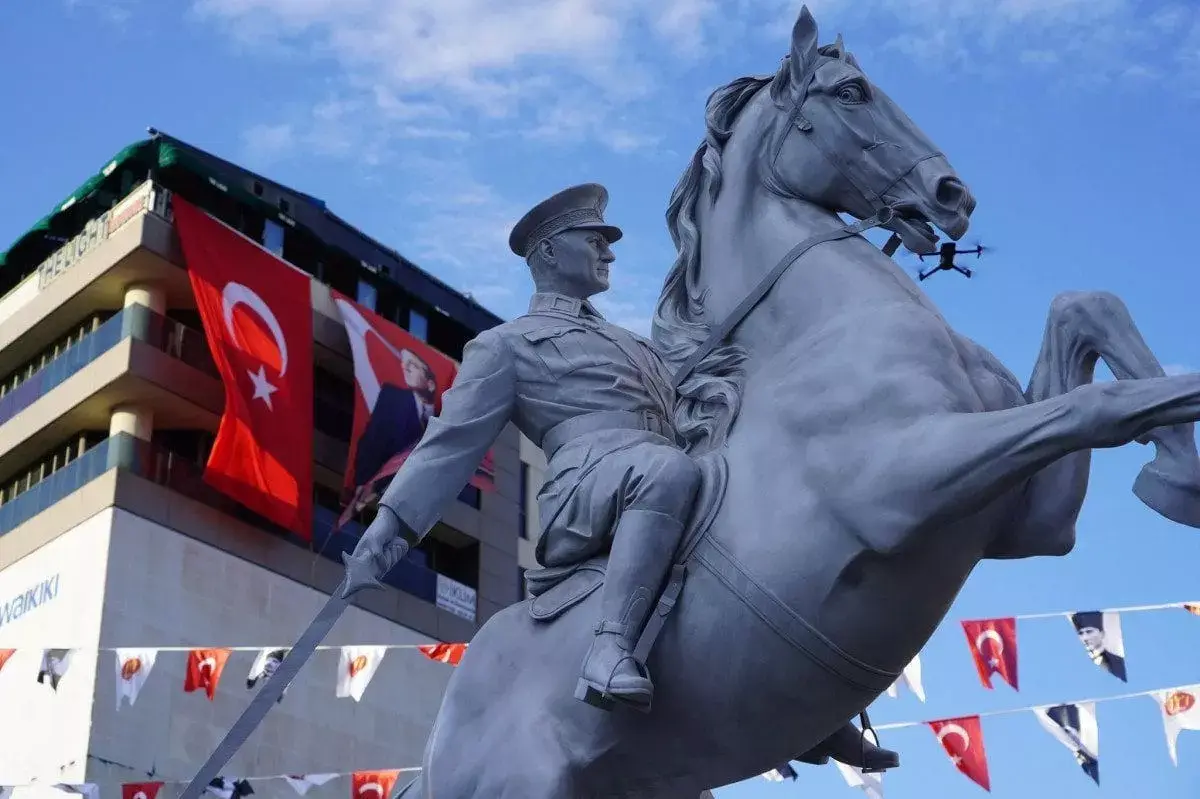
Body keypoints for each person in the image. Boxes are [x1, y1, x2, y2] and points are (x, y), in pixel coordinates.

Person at [345, 183, 898, 771]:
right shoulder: (504, 345)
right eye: (595, 241)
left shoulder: (634, 344)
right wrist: (391, 528)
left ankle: (808, 710)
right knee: (663, 471)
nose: (609, 253)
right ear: (551, 253)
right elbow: (451, 443)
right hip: (586, 481)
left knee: (764, 499)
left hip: (669, 462)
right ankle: (608, 648)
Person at [351, 347, 437, 493]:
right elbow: (372, 439)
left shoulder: (440, 418)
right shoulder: (392, 397)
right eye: (405, 364)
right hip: (374, 486)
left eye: (414, 365)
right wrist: (362, 480)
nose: (406, 368)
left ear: (430, 384)